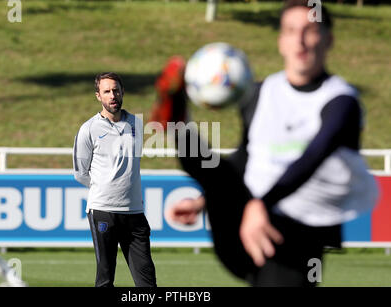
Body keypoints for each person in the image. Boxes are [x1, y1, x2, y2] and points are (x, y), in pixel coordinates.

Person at [150, 0, 378, 287]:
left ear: (328, 39)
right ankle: (177, 122)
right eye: (291, 30)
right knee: (218, 174)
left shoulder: (342, 101)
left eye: (310, 30)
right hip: (244, 223)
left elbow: (313, 158)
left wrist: (261, 205)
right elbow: (245, 159)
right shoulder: (261, 93)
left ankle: (178, 124)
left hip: (297, 237)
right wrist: (203, 201)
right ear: (281, 41)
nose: (300, 40)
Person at [73, 72, 156, 287]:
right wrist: (106, 189)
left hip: (135, 212)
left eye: (116, 90)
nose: (112, 95)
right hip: (103, 211)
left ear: (122, 92)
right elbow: (80, 173)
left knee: (147, 281)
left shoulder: (137, 124)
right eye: (107, 91)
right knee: (105, 279)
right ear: (98, 96)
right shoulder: (88, 129)